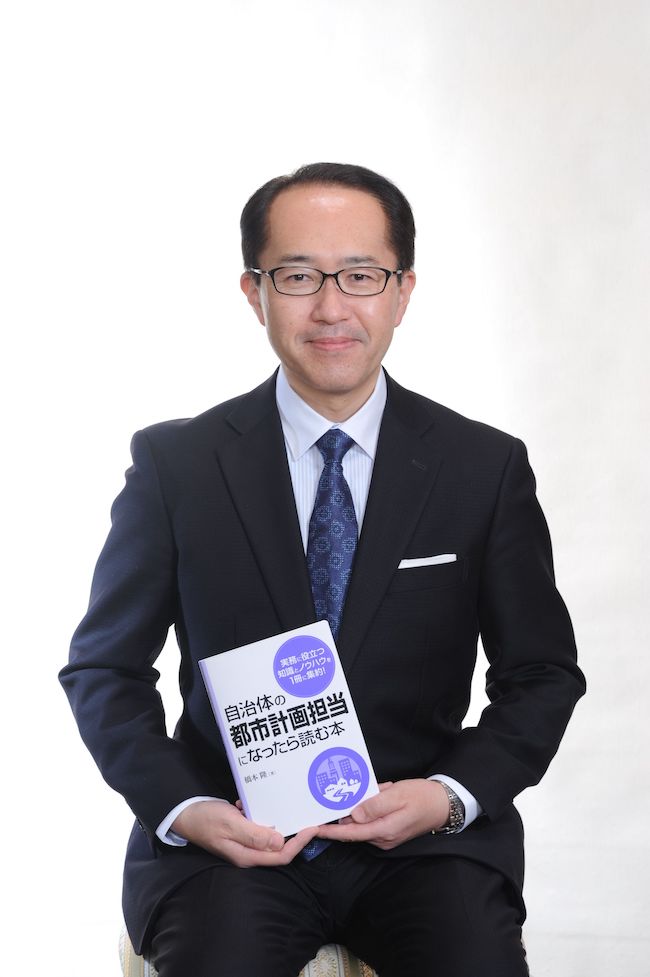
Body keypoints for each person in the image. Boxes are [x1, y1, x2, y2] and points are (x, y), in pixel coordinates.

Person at [60, 162, 585, 976]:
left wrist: (447, 795)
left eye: (362, 275)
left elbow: (542, 672)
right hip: (232, 843)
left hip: (423, 845)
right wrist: (187, 807)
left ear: (403, 292)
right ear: (254, 292)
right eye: (299, 276)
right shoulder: (178, 465)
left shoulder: (482, 467)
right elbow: (104, 668)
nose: (332, 307)